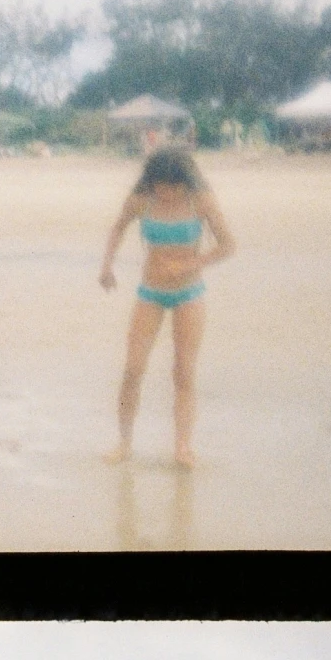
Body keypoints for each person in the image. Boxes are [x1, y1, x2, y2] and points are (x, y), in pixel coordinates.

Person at [99, 146, 235, 469]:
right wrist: (107, 265)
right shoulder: (141, 199)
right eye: (161, 186)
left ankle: (183, 447)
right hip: (150, 292)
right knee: (133, 369)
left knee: (184, 372)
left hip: (189, 293)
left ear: (186, 182)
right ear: (151, 181)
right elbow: (118, 227)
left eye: (174, 187)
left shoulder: (200, 200)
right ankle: (124, 442)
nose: (167, 193)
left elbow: (228, 244)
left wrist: (193, 263)